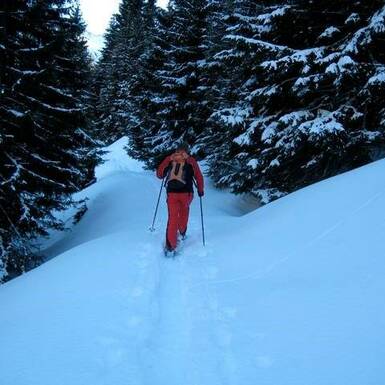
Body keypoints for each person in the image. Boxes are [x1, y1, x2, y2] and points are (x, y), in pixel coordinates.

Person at [156, 143, 204, 255]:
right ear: (187, 151)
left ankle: (170, 246)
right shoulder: (191, 161)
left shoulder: (171, 159)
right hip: (187, 194)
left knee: (172, 218)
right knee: (184, 212)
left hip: (172, 193)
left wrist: (168, 159)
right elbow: (199, 176)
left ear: (177, 150)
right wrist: (200, 190)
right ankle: (182, 232)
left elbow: (159, 175)